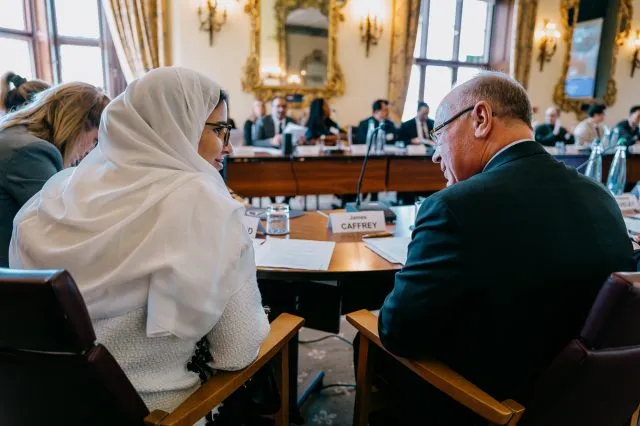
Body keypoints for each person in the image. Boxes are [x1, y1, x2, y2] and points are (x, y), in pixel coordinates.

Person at [370, 72, 634, 425]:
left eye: (439, 134)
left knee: (367, 340)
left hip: (487, 406)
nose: (435, 156)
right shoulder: (602, 198)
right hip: (579, 402)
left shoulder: (454, 207)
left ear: (481, 119)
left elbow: (397, 332)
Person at [9, 67, 270, 419]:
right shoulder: (207, 206)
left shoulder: (53, 198)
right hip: (162, 412)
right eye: (220, 129)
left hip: (43, 408)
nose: (229, 145)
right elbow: (236, 351)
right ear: (180, 126)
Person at [0, 82, 109, 266]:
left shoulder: (14, 135)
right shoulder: (32, 151)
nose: (91, 150)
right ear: (77, 126)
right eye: (95, 140)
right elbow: (58, 225)